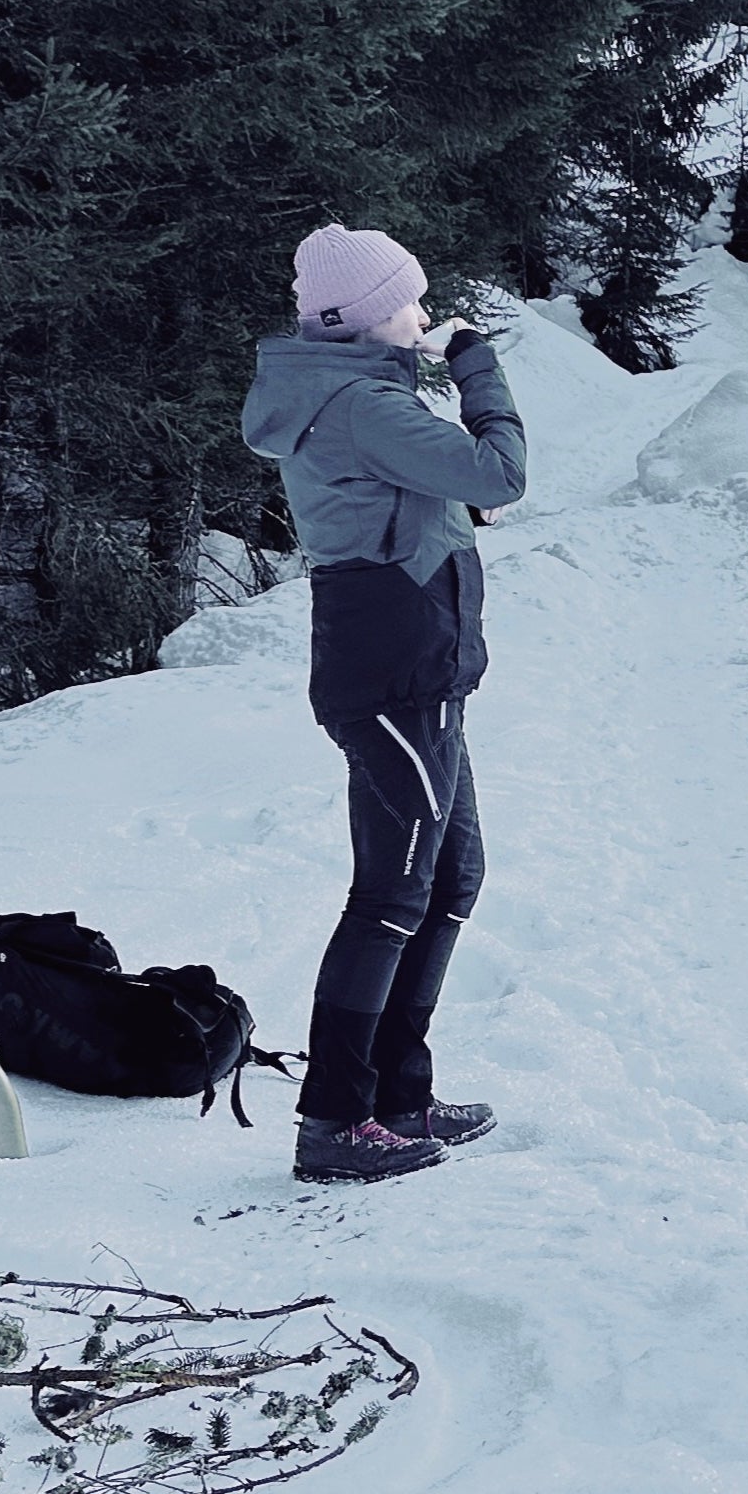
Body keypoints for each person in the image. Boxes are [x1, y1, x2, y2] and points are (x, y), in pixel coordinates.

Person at [240, 223, 527, 1184]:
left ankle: (399, 1094)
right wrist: (477, 367)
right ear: (366, 320)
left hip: (420, 669)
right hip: (393, 670)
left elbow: (429, 498)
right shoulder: (360, 402)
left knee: (450, 878)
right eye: (409, 301)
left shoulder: (360, 396)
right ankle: (332, 1122)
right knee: (394, 892)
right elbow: (501, 474)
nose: (422, 313)